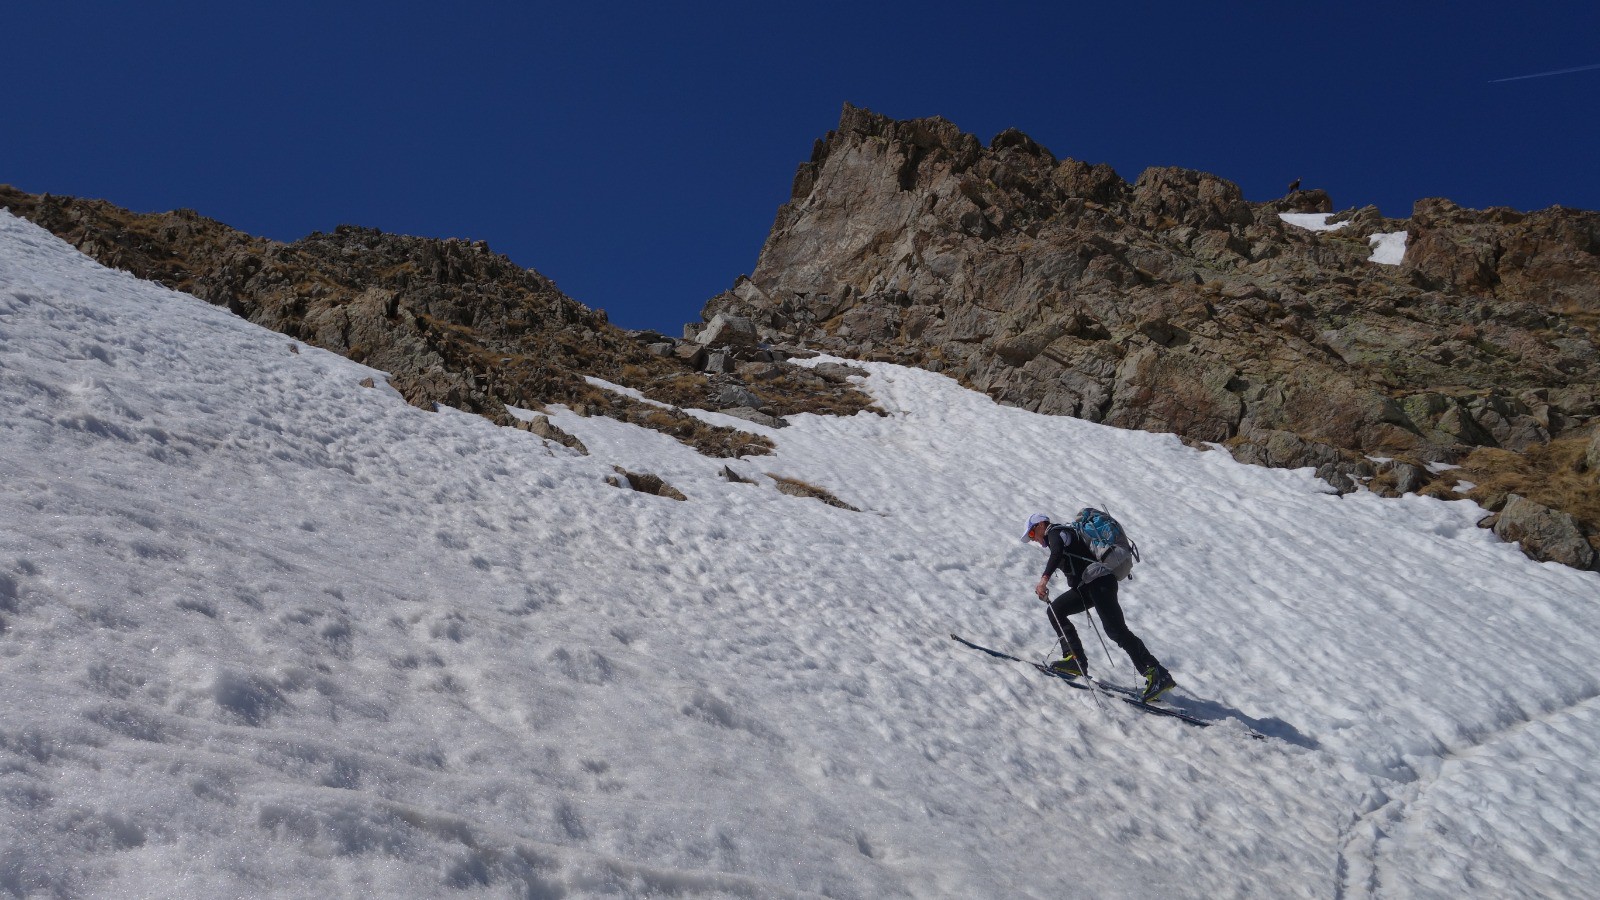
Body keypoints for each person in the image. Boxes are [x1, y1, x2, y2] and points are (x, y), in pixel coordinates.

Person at [1022, 513, 1176, 702]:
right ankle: (1074, 660)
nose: (1034, 539)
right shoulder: (1059, 534)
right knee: (1056, 610)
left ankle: (1157, 673)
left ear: (1040, 525)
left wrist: (1044, 579)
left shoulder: (1056, 532)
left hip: (1100, 582)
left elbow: (1058, 551)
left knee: (1116, 631)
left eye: (1031, 534)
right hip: (1089, 586)